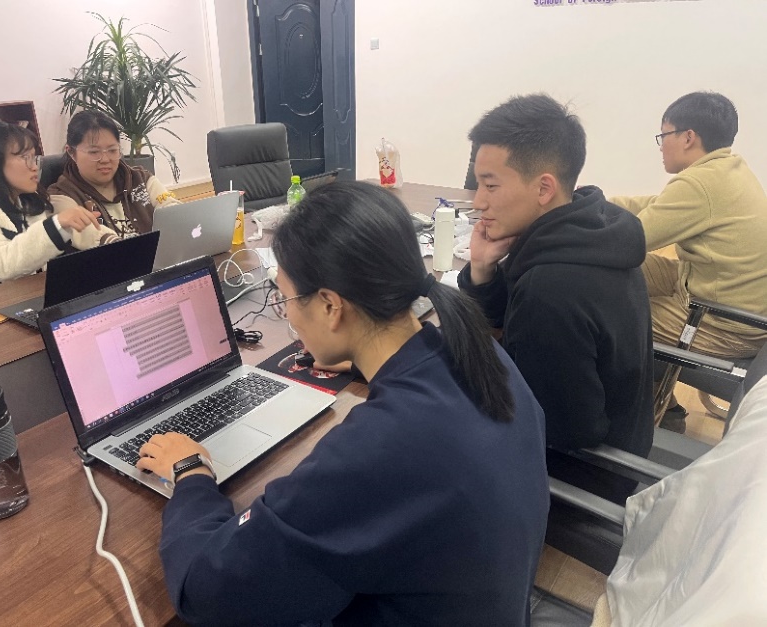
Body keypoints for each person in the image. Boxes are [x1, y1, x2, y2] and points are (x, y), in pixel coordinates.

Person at [136, 181, 550, 626]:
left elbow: (205, 592)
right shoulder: (479, 353)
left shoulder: (376, 450)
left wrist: (191, 474)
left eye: (286, 299)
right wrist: (362, 362)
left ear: (331, 306)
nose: (287, 314)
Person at [457, 94, 654, 503]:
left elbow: (563, 430)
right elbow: (511, 316)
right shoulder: (590, 230)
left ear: (544, 187)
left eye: (490, 185)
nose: (478, 202)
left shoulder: (551, 289)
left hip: (582, 478)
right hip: (626, 442)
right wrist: (482, 269)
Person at [610, 92, 767, 432]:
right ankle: (658, 396)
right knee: (624, 275)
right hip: (708, 289)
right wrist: (595, 202)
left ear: (688, 137)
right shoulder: (726, 170)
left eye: (663, 135)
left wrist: (567, 227)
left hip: (722, 321)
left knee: (609, 317)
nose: (661, 146)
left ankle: (663, 413)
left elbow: (628, 242)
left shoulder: (700, 183)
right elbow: (656, 205)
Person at [0, 120, 106, 303]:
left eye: (34, 157)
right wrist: (57, 225)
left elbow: (36, 259)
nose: (34, 167)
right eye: (25, 157)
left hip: (18, 299)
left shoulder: (25, 199)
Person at [48, 110, 180, 239]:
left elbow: (170, 209)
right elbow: (89, 235)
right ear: (71, 152)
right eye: (94, 152)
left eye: (112, 150)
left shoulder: (141, 180)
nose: (105, 159)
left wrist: (180, 220)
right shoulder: (61, 196)